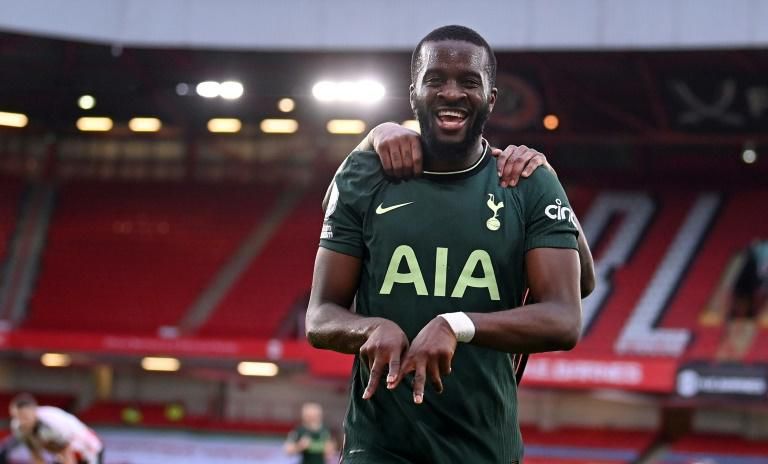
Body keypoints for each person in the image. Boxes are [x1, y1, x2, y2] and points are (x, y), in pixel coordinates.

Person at [307, 25, 594, 463]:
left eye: (468, 82)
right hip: (378, 448)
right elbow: (320, 316)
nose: (452, 93)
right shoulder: (366, 175)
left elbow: (564, 317)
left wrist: (456, 324)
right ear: (413, 93)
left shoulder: (526, 181)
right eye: (436, 80)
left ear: (491, 98)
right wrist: (370, 327)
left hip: (484, 449)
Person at [8, 393, 103, 464]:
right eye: (17, 417)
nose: (21, 421)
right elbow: (35, 454)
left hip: (87, 447)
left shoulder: (50, 423)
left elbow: (66, 451)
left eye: (25, 417)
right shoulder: (17, 426)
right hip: (63, 450)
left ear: (34, 412)